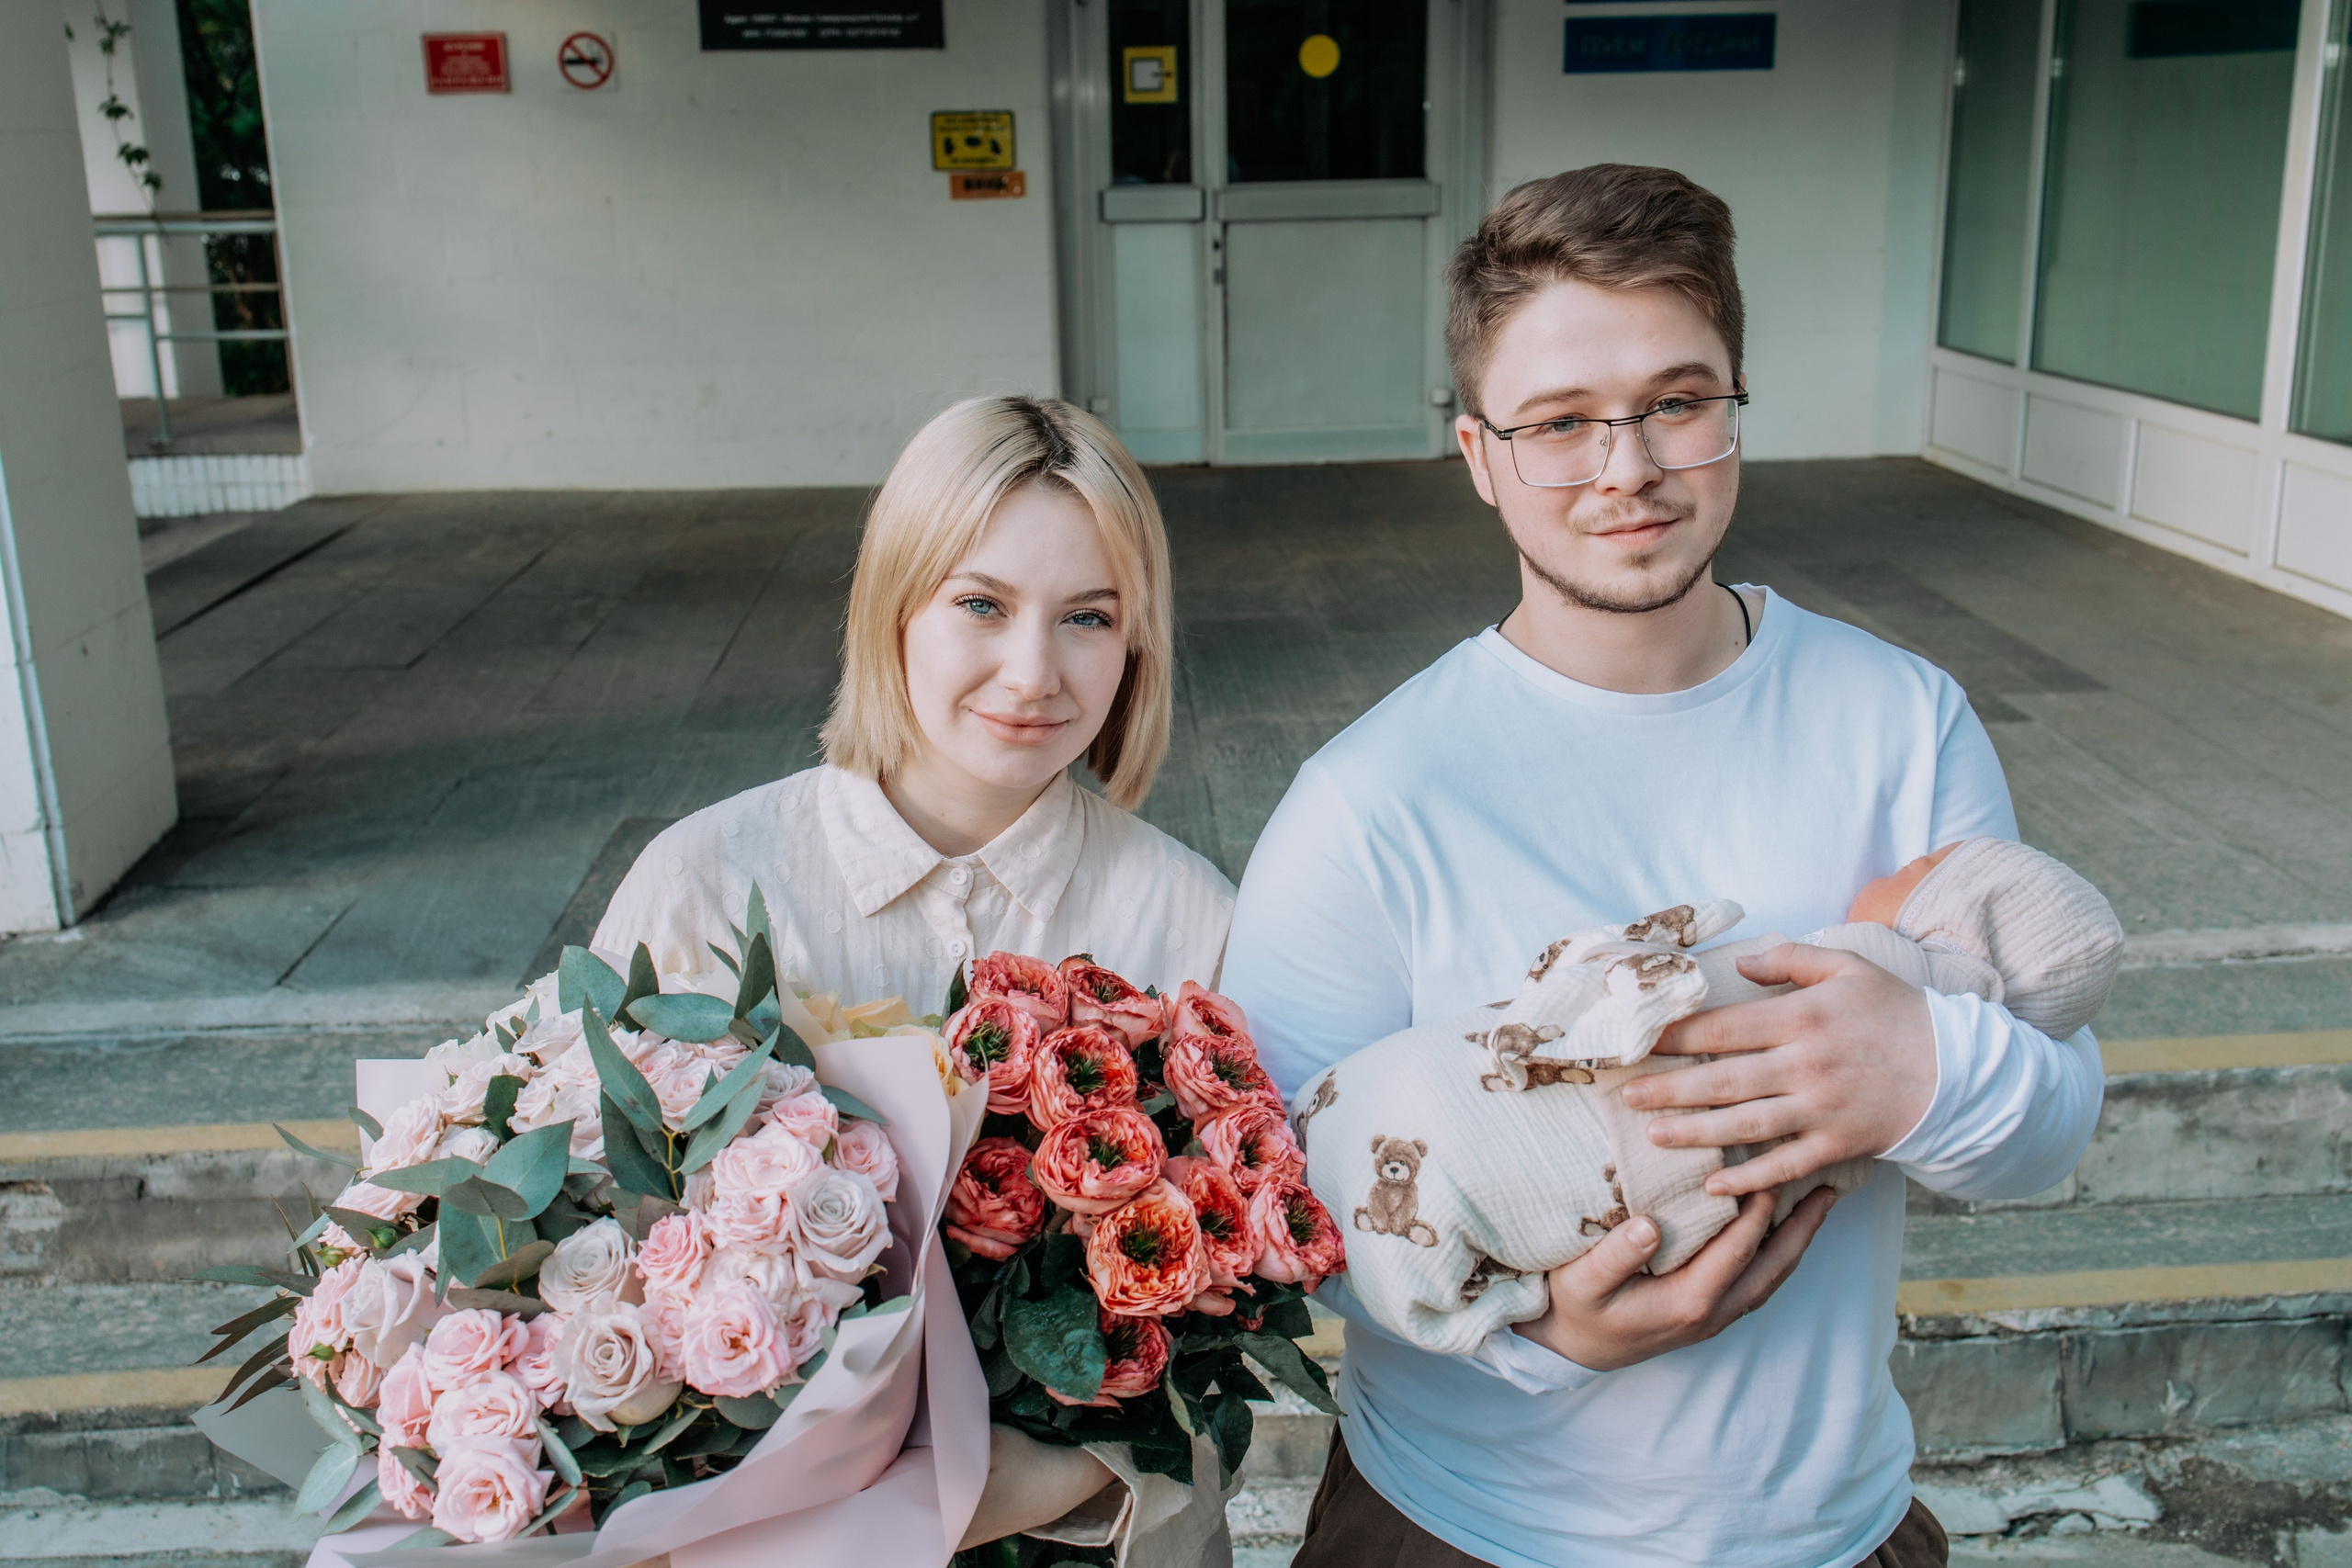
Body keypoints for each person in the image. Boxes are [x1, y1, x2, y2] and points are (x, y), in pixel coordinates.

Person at [1218, 164, 2106, 1568]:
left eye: (1677, 402)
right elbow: (1280, 1213)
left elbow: (2055, 1119)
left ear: (1735, 405)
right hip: (1463, 1527)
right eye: (1561, 423)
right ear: (1478, 454)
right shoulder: (1367, 802)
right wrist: (1549, 1340)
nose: (1627, 467)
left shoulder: (1898, 715)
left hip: (1829, 1526)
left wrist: (1921, 1065)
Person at [595, 395, 1238, 1564]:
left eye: (1088, 617)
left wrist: (1048, 1482)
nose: (1032, 671)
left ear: (1135, 640)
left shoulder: (1187, 915)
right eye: (981, 604)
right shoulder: (703, 879)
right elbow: (596, 1255)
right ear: (894, 601)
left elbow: (1231, 1303)